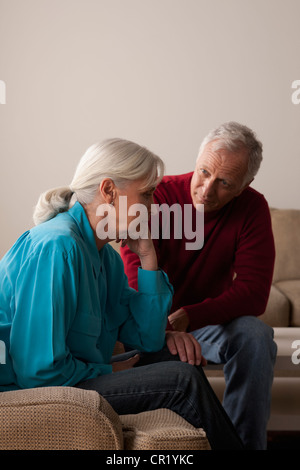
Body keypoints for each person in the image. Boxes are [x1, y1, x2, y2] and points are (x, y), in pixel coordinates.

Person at [0, 138, 244, 450]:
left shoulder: (105, 257)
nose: (154, 205)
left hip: (69, 376)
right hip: (27, 387)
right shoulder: (57, 246)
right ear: (109, 191)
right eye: (146, 194)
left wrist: (148, 258)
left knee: (175, 354)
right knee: (182, 382)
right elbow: (38, 370)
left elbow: (147, 339)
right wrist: (108, 369)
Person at [121, 123, 278, 450]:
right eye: (204, 172)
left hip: (204, 326)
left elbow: (254, 292)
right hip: (149, 326)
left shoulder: (252, 208)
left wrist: (191, 316)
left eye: (224, 183)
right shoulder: (159, 195)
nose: (207, 189)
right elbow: (135, 272)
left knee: (256, 335)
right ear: (197, 159)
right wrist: (164, 327)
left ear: (244, 185)